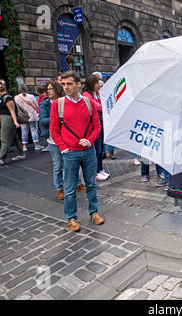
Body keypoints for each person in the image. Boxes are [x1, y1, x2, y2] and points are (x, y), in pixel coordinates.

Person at [49, 71, 104, 232]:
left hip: (88, 151)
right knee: (70, 187)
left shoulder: (89, 102)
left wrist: (90, 140)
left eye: (69, 84)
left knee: (92, 184)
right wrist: (63, 147)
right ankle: (71, 218)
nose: (65, 87)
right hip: (69, 152)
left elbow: (97, 126)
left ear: (78, 84)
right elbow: (54, 129)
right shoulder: (57, 104)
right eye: (63, 84)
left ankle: (94, 212)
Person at [39, 80, 86, 200]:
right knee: (58, 165)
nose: (48, 91)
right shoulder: (45, 104)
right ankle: (59, 188)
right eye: (47, 89)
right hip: (53, 140)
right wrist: (57, 117)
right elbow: (43, 120)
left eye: (51, 89)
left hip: (68, 138)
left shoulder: (65, 101)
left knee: (72, 163)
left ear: (57, 89)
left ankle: (78, 183)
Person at [0, 80, 25, 166]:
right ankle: (21, 154)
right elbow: (0, 111)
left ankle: (1, 158)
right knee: (15, 138)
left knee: (4, 139)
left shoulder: (7, 98)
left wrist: (15, 122)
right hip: (3, 119)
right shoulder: (2, 98)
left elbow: (12, 111)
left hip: (8, 120)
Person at [82, 74, 110, 182]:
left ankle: (100, 169)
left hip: (101, 122)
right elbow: (97, 107)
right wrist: (105, 107)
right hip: (93, 125)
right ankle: (96, 171)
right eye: (97, 83)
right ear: (92, 84)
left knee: (101, 148)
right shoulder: (86, 95)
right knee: (97, 149)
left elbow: (102, 104)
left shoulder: (97, 93)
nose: (100, 85)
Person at [15, 84, 43, 152]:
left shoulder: (16, 97)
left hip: (23, 117)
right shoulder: (31, 96)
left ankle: (24, 146)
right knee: (34, 130)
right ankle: (36, 145)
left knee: (24, 131)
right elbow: (36, 107)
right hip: (32, 115)